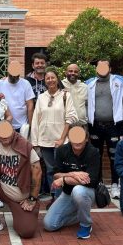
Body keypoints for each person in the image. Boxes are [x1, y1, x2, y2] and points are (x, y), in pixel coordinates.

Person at [0, 121, 42, 238]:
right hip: (3, 191)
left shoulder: (24, 145)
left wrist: (32, 198)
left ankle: (30, 210)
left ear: (13, 132)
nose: (5, 136)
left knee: (27, 232)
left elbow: (38, 172)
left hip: (21, 199)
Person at [43, 127, 100, 239]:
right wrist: (73, 174)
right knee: (49, 225)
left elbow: (90, 180)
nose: (77, 141)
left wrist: (64, 179)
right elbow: (55, 174)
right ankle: (80, 214)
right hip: (67, 193)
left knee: (78, 190)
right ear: (69, 138)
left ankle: (86, 225)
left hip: (88, 192)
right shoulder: (61, 150)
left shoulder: (93, 152)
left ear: (86, 139)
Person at [31, 69, 78, 202]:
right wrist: (35, 141)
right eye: (47, 78)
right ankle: (54, 197)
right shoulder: (41, 97)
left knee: (61, 170)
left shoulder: (65, 96)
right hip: (45, 140)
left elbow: (71, 118)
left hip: (60, 141)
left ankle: (62, 197)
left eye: (52, 77)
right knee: (50, 170)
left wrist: (62, 138)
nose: (50, 80)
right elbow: (36, 119)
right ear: (44, 81)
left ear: (57, 79)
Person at [86, 59, 123, 199]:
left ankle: (115, 185)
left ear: (110, 68)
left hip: (114, 126)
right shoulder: (89, 83)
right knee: (96, 155)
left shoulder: (120, 82)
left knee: (115, 156)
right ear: (96, 69)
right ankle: (99, 184)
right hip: (95, 126)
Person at [0, 61, 35, 133]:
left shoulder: (26, 84)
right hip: (3, 126)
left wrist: (30, 125)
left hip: (22, 126)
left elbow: (30, 105)